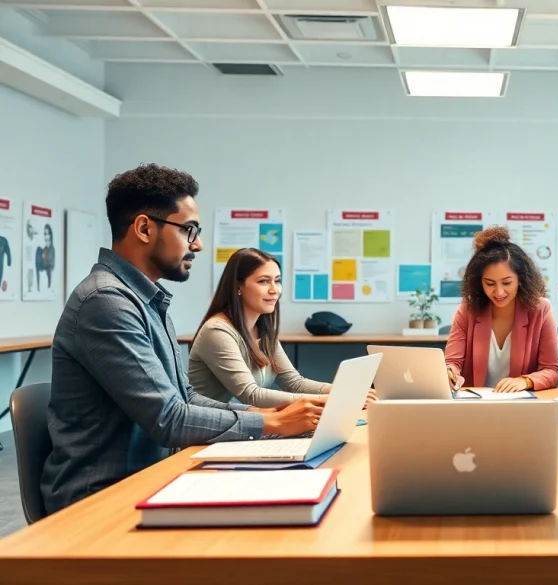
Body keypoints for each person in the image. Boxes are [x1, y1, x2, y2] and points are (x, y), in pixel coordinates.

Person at [41, 164, 323, 514]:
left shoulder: (146, 300)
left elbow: (185, 397)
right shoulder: (106, 302)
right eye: (189, 230)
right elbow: (169, 418)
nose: (199, 245)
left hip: (151, 475)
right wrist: (271, 422)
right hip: (101, 497)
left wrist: (263, 412)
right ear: (144, 228)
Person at [190, 248, 376, 408]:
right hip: (207, 437)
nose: (274, 289)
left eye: (277, 281)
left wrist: (345, 390)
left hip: (245, 427)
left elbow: (294, 383)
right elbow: (251, 395)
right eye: (263, 281)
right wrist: (333, 399)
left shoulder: (263, 330)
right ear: (238, 287)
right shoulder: (217, 331)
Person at [445, 226, 558, 392]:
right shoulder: (467, 309)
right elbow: (452, 362)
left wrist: (525, 381)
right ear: (480, 282)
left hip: (520, 406)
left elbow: (552, 371)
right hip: (475, 406)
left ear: (520, 279)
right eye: (490, 283)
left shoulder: (541, 309)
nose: (499, 292)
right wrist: (450, 373)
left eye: (507, 283)